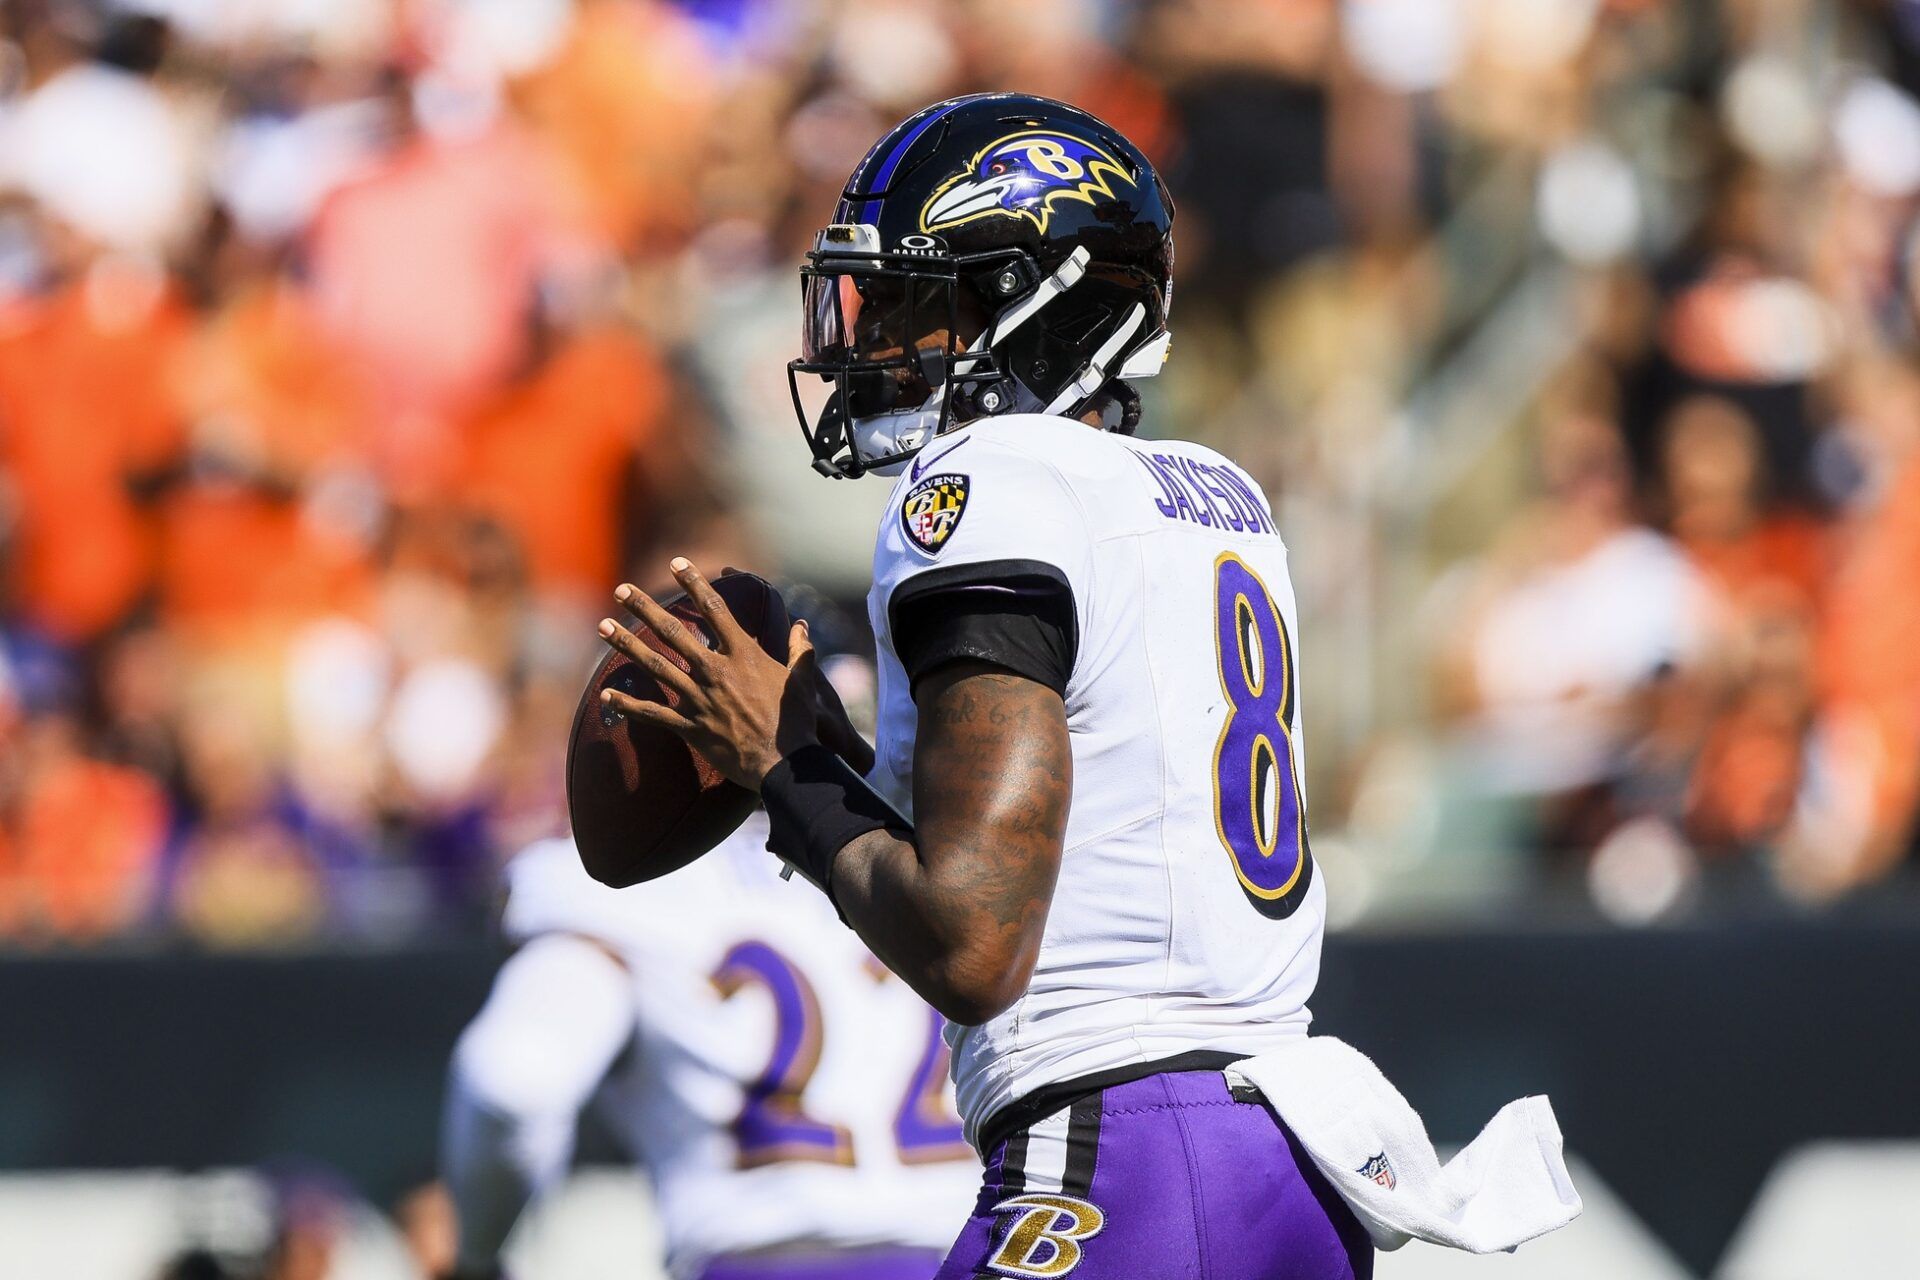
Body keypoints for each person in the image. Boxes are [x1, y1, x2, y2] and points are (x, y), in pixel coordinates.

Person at [596, 94, 1574, 1279]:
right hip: (1286, 1166)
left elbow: (975, 944)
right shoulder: (1218, 494)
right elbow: (1101, 819)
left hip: (1119, 1155)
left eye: (917, 300)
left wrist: (783, 769)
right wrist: (847, 769)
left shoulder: (986, 481)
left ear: (1046, 303)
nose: (873, 339)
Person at [440, 812, 978, 1280]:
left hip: (751, 1260)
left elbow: (512, 1081)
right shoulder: (970, 857)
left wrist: (477, 1261)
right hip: (981, 1258)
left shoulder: (622, 888)